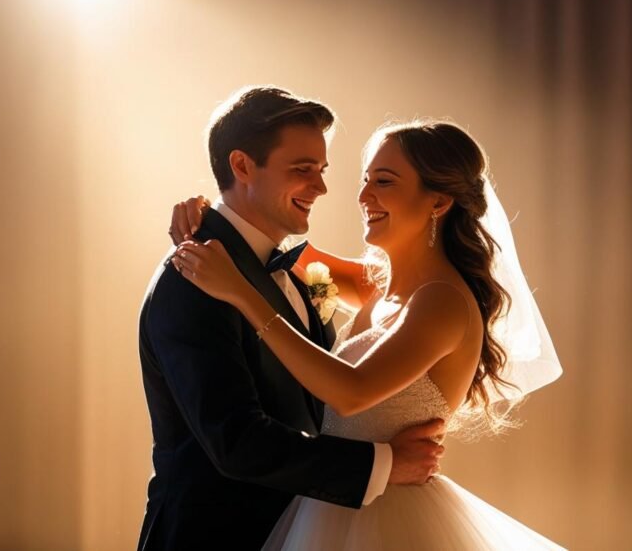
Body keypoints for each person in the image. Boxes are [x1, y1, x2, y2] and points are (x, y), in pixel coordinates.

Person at [170, 119, 564, 550]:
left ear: (438, 201)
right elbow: (273, 248)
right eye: (365, 179)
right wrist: (207, 216)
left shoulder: (442, 302)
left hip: (390, 519)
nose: (363, 196)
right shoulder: (377, 284)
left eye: (384, 181)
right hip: (332, 503)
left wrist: (242, 295)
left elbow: (351, 392)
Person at [136, 86, 446, 551]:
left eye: (321, 170)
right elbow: (236, 442)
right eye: (303, 170)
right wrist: (383, 465)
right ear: (242, 166)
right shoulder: (193, 279)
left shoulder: (297, 273)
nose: (321, 188)